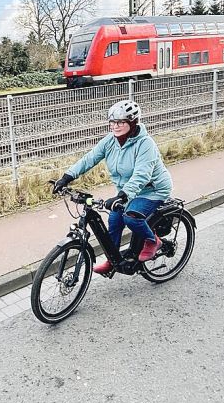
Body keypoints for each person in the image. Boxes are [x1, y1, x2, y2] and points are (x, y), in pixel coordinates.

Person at [52, 99, 173, 275]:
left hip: (152, 190)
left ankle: (153, 240)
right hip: (128, 191)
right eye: (112, 122)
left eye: (121, 122)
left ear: (132, 123)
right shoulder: (110, 141)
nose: (115, 126)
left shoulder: (146, 144)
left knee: (131, 217)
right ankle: (113, 259)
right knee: (115, 220)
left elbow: (142, 175)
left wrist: (122, 196)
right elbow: (89, 159)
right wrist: (67, 177)